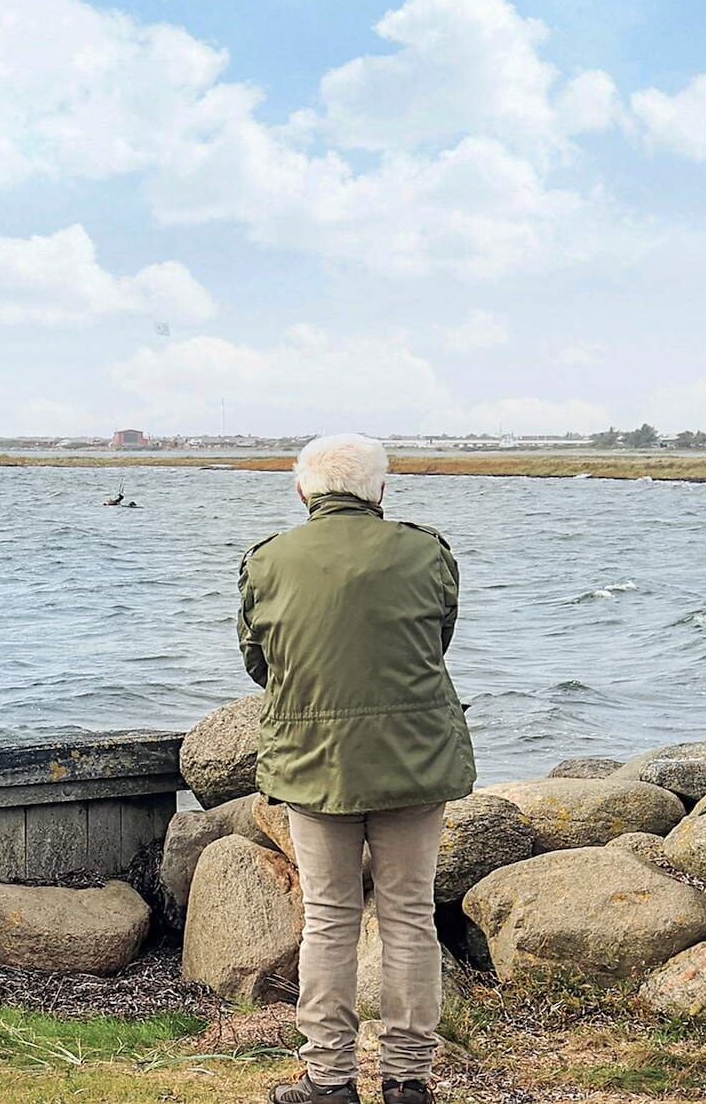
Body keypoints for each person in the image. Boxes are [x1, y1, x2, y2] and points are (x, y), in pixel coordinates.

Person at [238, 434, 473, 1104]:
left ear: (302, 490)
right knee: (409, 916)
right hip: (414, 759)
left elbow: (260, 663)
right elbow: (437, 641)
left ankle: (330, 1079)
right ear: (381, 490)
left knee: (329, 919)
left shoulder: (268, 561)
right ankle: (408, 1080)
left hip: (314, 767)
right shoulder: (427, 552)